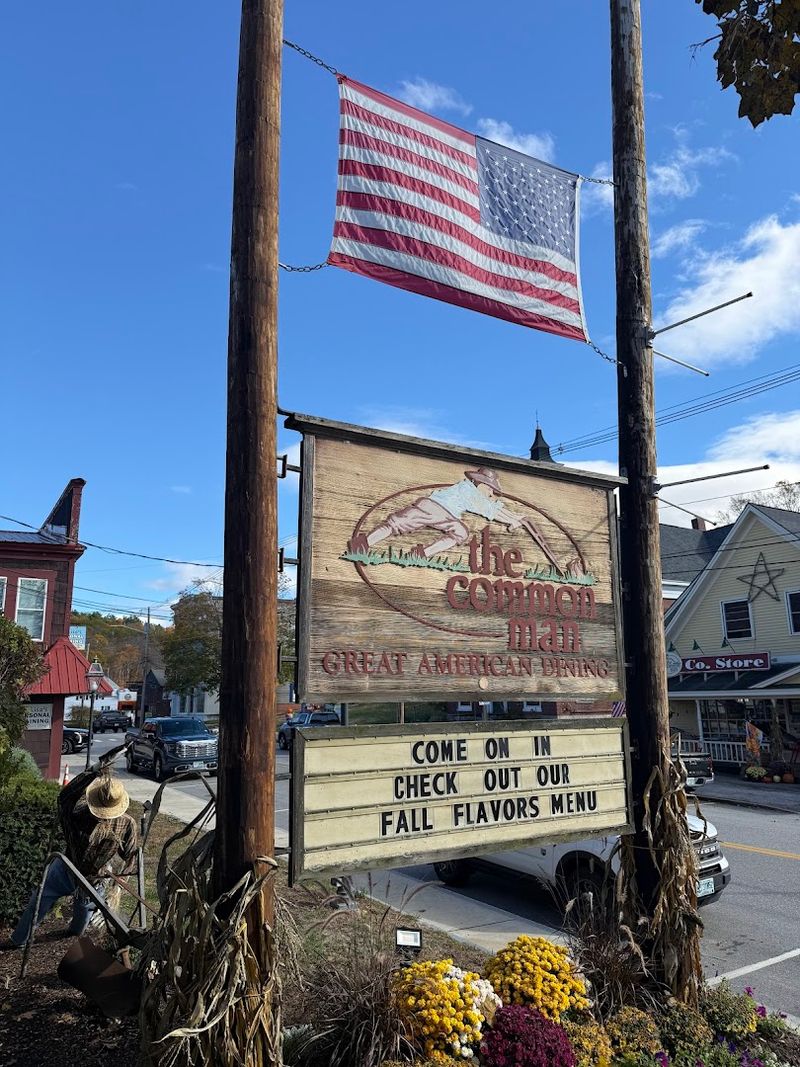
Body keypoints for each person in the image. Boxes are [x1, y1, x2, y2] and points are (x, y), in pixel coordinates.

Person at [4, 743, 138, 949]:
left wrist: (120, 880)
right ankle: (18, 941)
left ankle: (73, 933)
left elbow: (131, 855)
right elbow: (65, 796)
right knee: (37, 903)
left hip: (95, 878)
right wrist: (94, 771)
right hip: (66, 868)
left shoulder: (125, 823)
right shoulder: (76, 813)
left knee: (83, 917)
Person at [347, 466, 525, 561]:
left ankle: (422, 553)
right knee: (397, 524)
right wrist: (510, 520)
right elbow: (491, 510)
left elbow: (494, 507)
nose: (491, 495)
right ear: (480, 483)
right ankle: (362, 543)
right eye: (490, 490)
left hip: (447, 516)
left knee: (460, 532)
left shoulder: (474, 493)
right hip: (432, 507)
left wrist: (514, 518)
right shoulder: (469, 491)